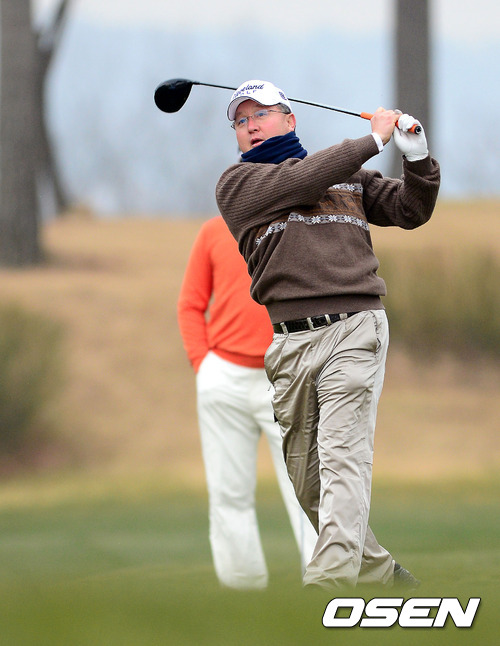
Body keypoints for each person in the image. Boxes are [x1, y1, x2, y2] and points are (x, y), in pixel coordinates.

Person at [215, 79, 440, 590]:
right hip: (290, 345)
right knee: (308, 480)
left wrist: (417, 157)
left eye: (261, 114)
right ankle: (381, 574)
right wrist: (372, 139)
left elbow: (411, 210)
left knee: (343, 458)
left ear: (289, 120)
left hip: (355, 329)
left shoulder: (349, 178)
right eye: (241, 120)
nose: (250, 126)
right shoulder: (238, 186)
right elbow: (301, 180)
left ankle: (328, 583)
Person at [177, 214, 317, 590]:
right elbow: (190, 304)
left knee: (308, 489)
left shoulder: (297, 223)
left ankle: (326, 583)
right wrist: (203, 365)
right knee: (229, 493)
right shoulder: (212, 231)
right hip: (224, 379)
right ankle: (243, 592)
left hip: (287, 376)